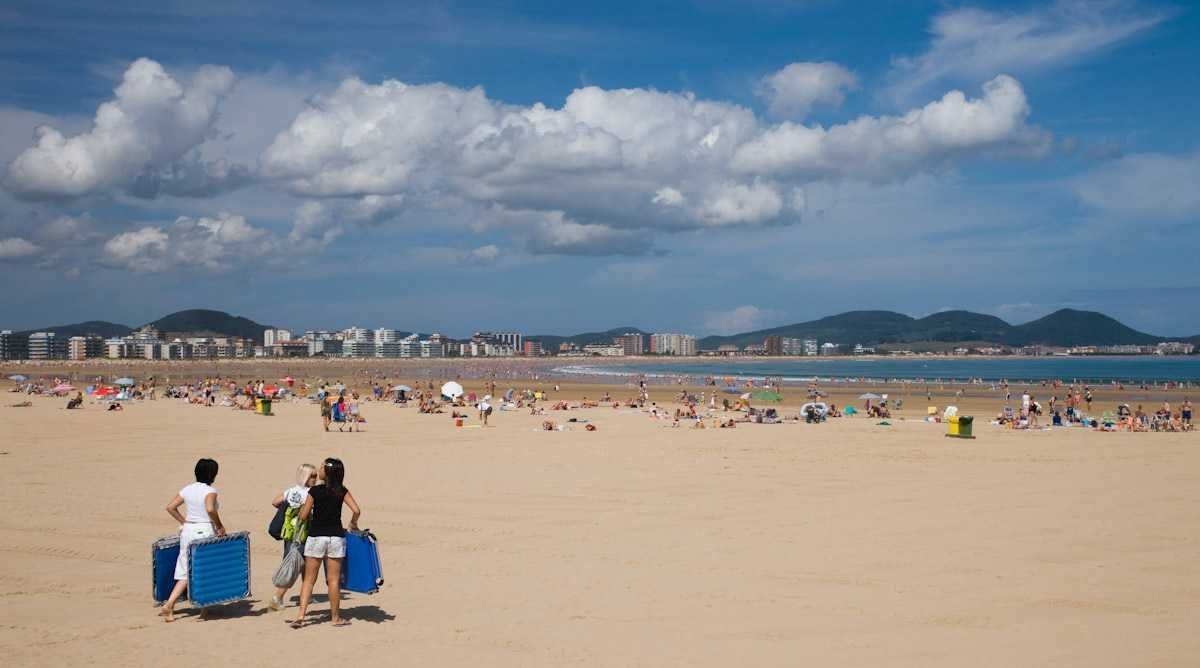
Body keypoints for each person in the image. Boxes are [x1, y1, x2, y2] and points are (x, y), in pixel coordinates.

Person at [292, 458, 361, 628]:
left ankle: (301, 616)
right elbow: (357, 510)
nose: (320, 468)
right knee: (333, 580)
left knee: (309, 580)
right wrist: (353, 523)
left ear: (327, 472)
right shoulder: (341, 491)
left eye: (322, 467)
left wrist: (301, 510)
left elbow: (303, 515)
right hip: (336, 538)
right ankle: (335, 618)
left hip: (316, 537)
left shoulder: (315, 491)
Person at [159, 459, 225, 622]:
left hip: (188, 531)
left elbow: (170, 507)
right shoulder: (210, 491)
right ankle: (179, 605)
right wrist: (219, 525)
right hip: (204, 530)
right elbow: (210, 509)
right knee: (204, 569)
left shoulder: (187, 489)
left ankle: (199, 607)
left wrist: (184, 521)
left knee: (185, 569)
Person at [269, 463, 318, 611]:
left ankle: (306, 595)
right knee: (295, 564)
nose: (315, 479)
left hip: (289, 532)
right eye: (312, 476)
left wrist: (289, 510)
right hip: (303, 532)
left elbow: (275, 501)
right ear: (306, 477)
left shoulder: (291, 491)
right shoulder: (310, 493)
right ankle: (277, 597)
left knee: (304, 564)